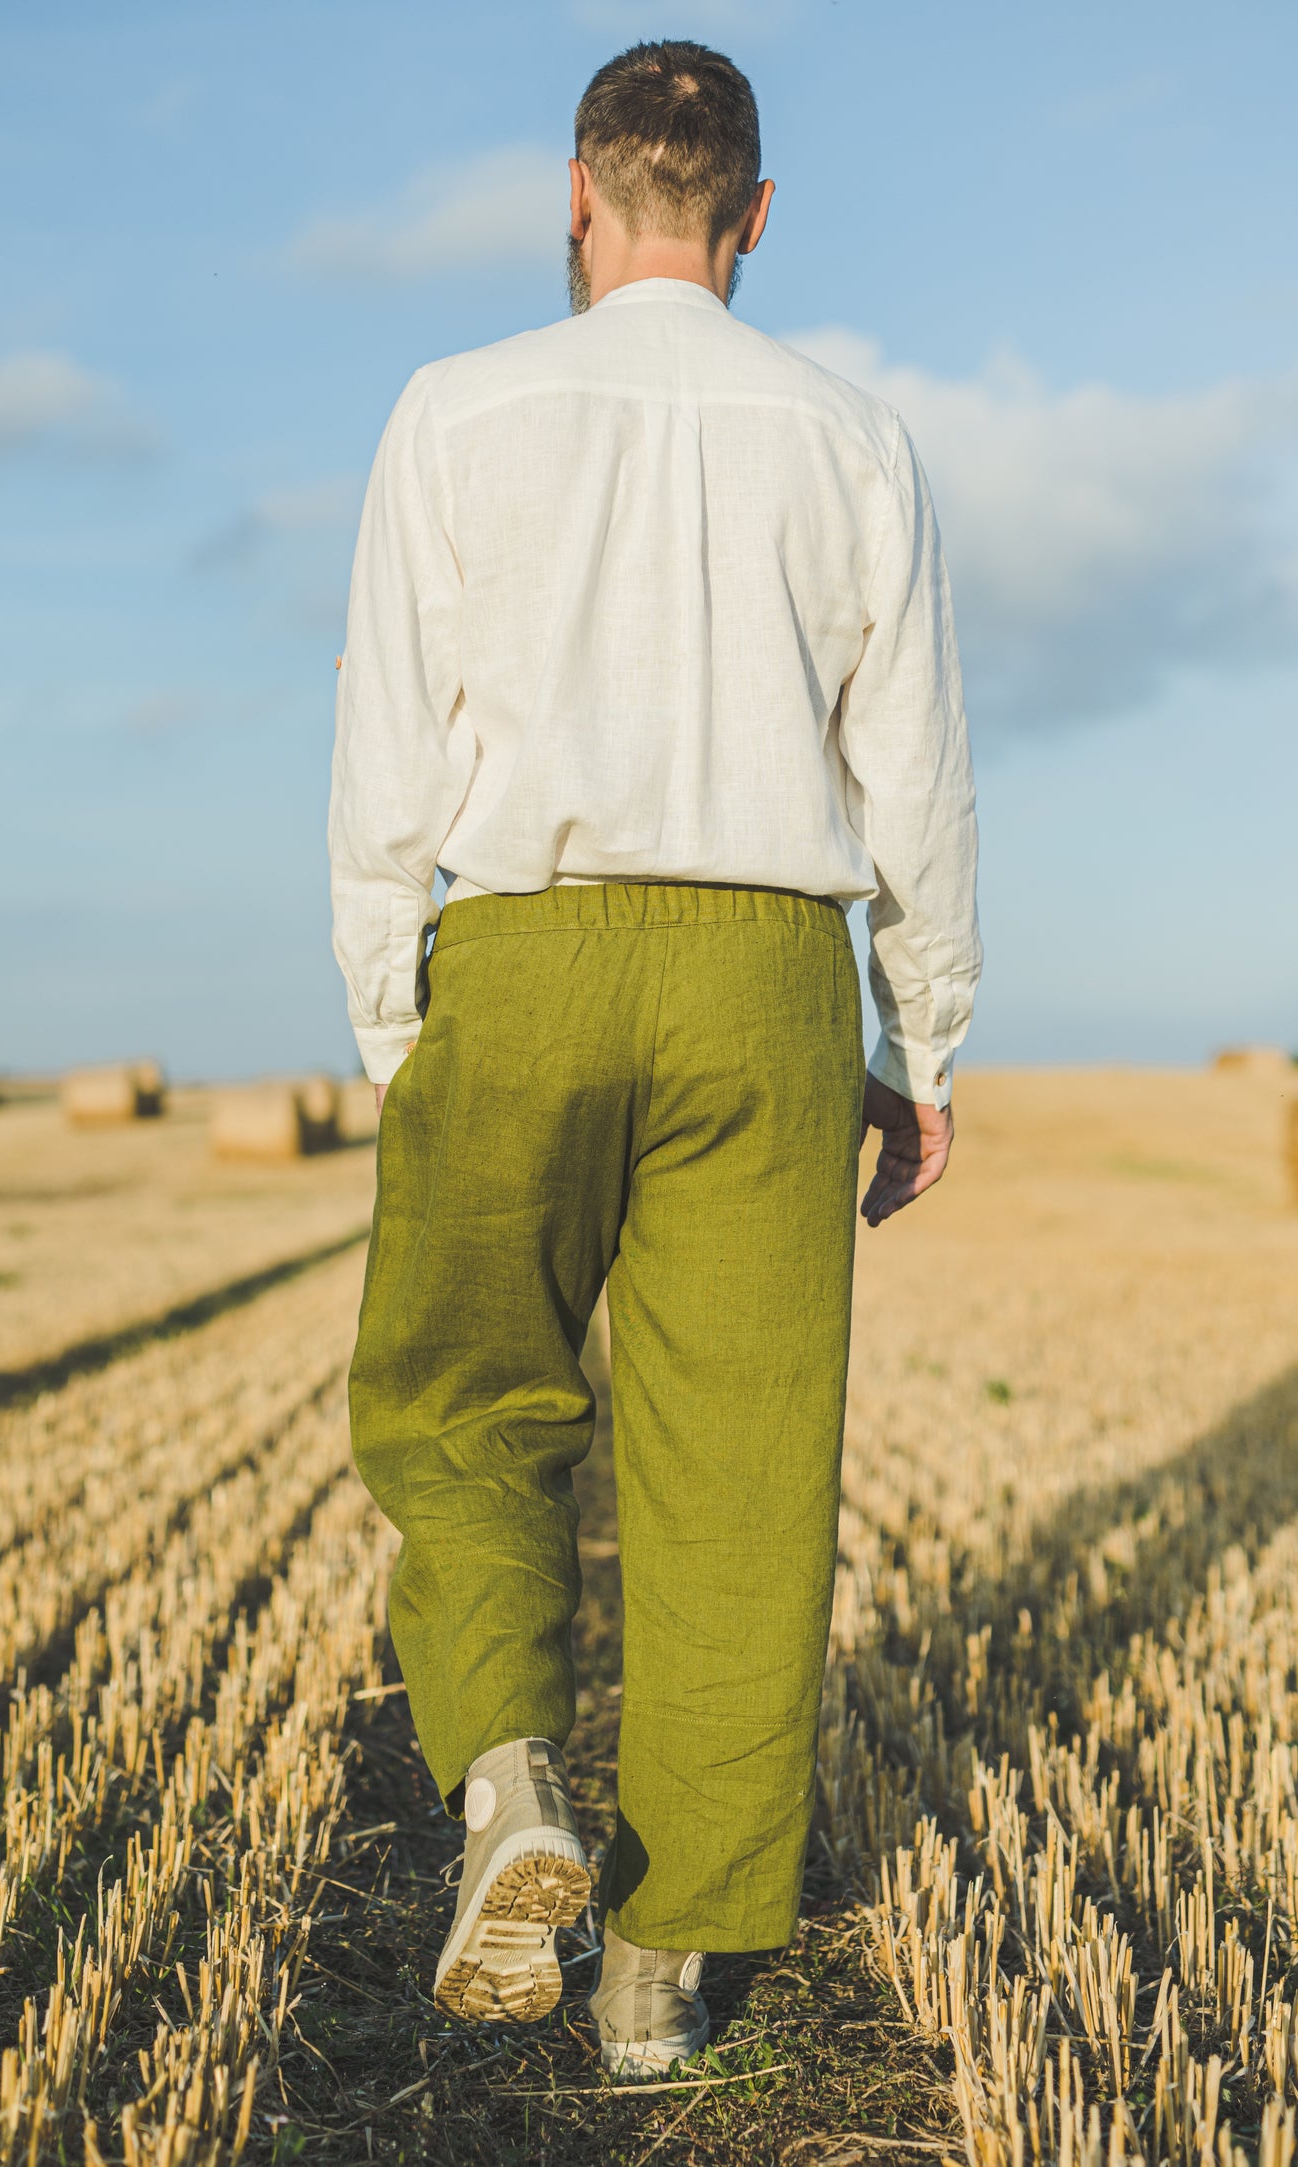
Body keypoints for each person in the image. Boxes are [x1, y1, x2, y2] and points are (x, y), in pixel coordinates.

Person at [328, 39, 980, 2077]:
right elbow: (920, 774)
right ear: (756, 216)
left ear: (581, 201)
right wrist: (925, 1033)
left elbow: (381, 749)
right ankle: (656, 1970)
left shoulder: (452, 410)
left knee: (461, 1403)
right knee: (740, 1470)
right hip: (771, 979)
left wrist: (392, 1016)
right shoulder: (853, 433)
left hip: (518, 951)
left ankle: (512, 1782)